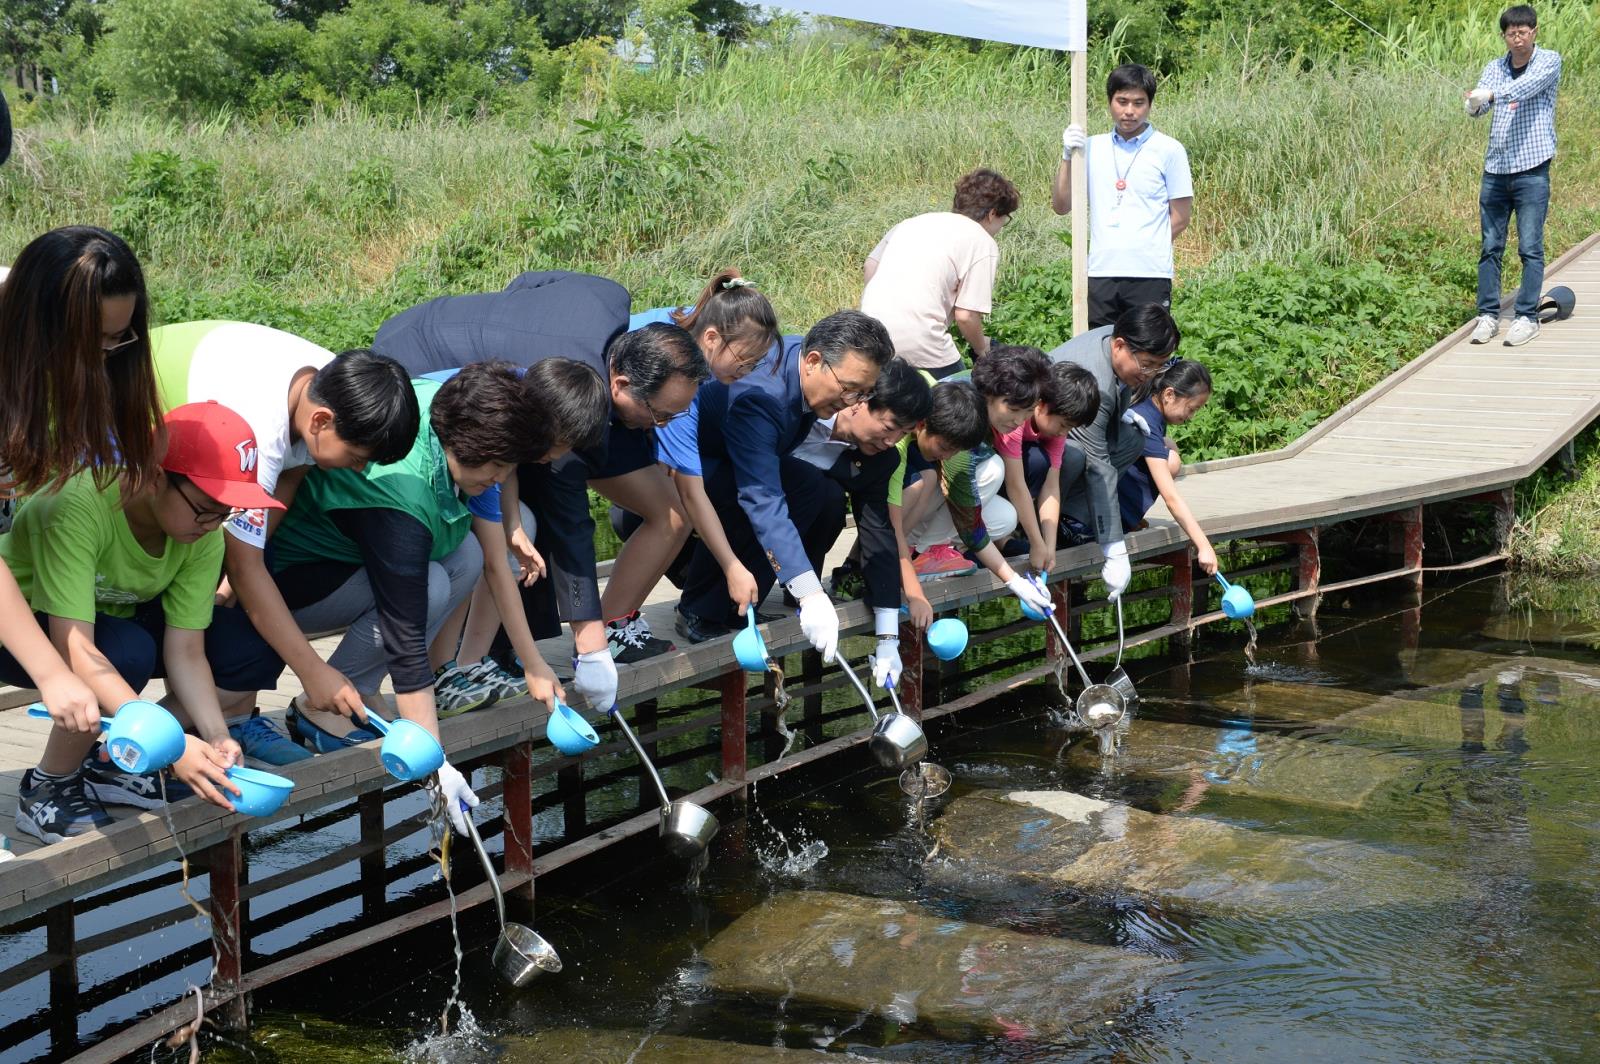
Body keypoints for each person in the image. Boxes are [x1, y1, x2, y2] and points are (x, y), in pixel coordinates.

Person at [372, 272, 706, 715]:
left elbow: (531, 280)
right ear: (621, 385)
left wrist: (511, 524)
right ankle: (435, 669)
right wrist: (588, 646)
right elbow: (568, 521)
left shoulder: (608, 304)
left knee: (517, 528)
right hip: (413, 360)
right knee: (453, 543)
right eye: (659, 415)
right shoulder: (556, 401)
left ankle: (467, 663)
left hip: (488, 388)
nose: (661, 428)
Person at [264, 362, 562, 833]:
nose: (502, 479)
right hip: (292, 581)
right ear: (470, 446)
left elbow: (491, 561)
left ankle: (358, 689)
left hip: (356, 563)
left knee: (463, 552)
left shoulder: (456, 415)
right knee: (429, 586)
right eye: (498, 468)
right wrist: (436, 764)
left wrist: (533, 662)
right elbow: (404, 635)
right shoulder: (401, 492)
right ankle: (320, 704)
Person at [1, 403, 287, 842]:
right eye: (205, 508)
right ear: (155, 476)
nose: (213, 525)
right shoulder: (77, 505)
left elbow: (187, 649)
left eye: (225, 513)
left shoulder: (202, 530)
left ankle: (113, 764)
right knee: (127, 652)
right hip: (25, 628)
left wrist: (212, 736)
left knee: (246, 649)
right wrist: (171, 746)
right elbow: (75, 648)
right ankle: (48, 786)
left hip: (110, 621)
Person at [151, 321, 420, 764]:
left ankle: (231, 716)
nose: (358, 472)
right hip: (154, 469)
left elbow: (286, 483)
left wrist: (231, 586)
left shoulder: (330, 387)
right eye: (356, 459)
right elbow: (244, 563)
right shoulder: (259, 426)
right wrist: (313, 671)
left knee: (247, 603)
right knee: (231, 604)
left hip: (200, 488)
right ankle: (162, 737)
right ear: (321, 421)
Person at [0, 225, 163, 791]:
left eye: (118, 338)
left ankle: (58, 783)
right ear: (41, 324)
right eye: (94, 340)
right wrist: (50, 673)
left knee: (124, 647)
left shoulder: (88, 367)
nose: (106, 355)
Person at [675, 311, 894, 666]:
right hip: (692, 468)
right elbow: (761, 497)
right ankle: (697, 608)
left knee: (812, 488)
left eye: (864, 393)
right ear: (813, 361)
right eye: (849, 388)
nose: (853, 401)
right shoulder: (762, 398)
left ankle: (742, 606)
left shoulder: (804, 367)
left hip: (737, 460)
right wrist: (810, 595)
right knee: (748, 494)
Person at [609, 269, 783, 654]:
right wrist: (732, 566)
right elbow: (693, 493)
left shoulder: (697, 322)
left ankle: (619, 621)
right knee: (673, 512)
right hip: (596, 411)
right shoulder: (678, 373)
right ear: (711, 339)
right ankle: (609, 626)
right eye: (744, 360)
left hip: (620, 412)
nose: (747, 372)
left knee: (670, 505)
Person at [1047, 304, 1181, 601]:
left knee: (1133, 438)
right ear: (1120, 345)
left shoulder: (1113, 335)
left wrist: (1123, 412)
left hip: (1075, 424)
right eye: (1147, 365)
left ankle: (1073, 520)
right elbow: (1100, 468)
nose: (1150, 375)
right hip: (1037, 444)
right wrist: (1114, 549)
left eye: (1159, 366)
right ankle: (1044, 524)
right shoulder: (1096, 382)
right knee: (1074, 458)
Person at [1054, 63, 1193, 328]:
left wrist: (1144, 245)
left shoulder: (1169, 150)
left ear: (1149, 105)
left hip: (1149, 274)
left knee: (1146, 352)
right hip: (1100, 272)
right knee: (1100, 350)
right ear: (1109, 102)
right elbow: (1061, 206)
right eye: (1122, 101)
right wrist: (1067, 156)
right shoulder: (1091, 147)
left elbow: (1181, 217)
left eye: (1138, 103)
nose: (1129, 111)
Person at [905, 345, 1051, 579]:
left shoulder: (997, 411)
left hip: (931, 497)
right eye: (1013, 409)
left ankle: (930, 550)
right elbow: (964, 509)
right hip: (910, 493)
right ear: (988, 393)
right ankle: (924, 551)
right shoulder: (964, 414)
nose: (1019, 420)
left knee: (1004, 518)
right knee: (992, 469)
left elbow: (1017, 483)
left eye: (1028, 412)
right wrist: (1012, 580)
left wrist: (1038, 543)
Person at [1465, 5, 1562, 348]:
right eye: (1511, 33)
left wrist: (1491, 94)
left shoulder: (1548, 61)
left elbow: (1526, 89)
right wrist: (1475, 103)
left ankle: (1526, 316)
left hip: (1532, 169)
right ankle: (1488, 315)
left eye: (1523, 32)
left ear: (1534, 31)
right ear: (1504, 36)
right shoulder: (1494, 67)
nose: (1517, 38)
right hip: (1495, 170)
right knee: (1491, 246)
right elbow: (1480, 108)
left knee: (1530, 247)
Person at [861, 169, 1019, 378]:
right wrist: (982, 350)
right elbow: (967, 316)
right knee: (961, 401)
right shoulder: (981, 241)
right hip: (921, 341)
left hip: (868, 332)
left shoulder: (912, 222)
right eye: (1004, 219)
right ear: (992, 214)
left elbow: (870, 266)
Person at [1000, 360, 1102, 577]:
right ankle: (999, 538)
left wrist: (1049, 545)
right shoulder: (1015, 418)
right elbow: (1016, 484)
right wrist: (1037, 543)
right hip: (992, 474)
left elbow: (1051, 486)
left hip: (1012, 476)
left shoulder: (1055, 429)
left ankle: (1011, 536)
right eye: (1063, 425)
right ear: (1041, 404)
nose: (1063, 433)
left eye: (1070, 428)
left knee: (1051, 460)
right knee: (1037, 460)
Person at [1117, 358, 1218, 574]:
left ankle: (1130, 516)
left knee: (1170, 449)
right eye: (1191, 409)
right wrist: (1204, 545)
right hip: (1101, 523)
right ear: (1169, 394)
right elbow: (1171, 498)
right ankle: (1127, 518)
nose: (1190, 417)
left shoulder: (1147, 407)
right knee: (1171, 460)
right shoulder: (1146, 425)